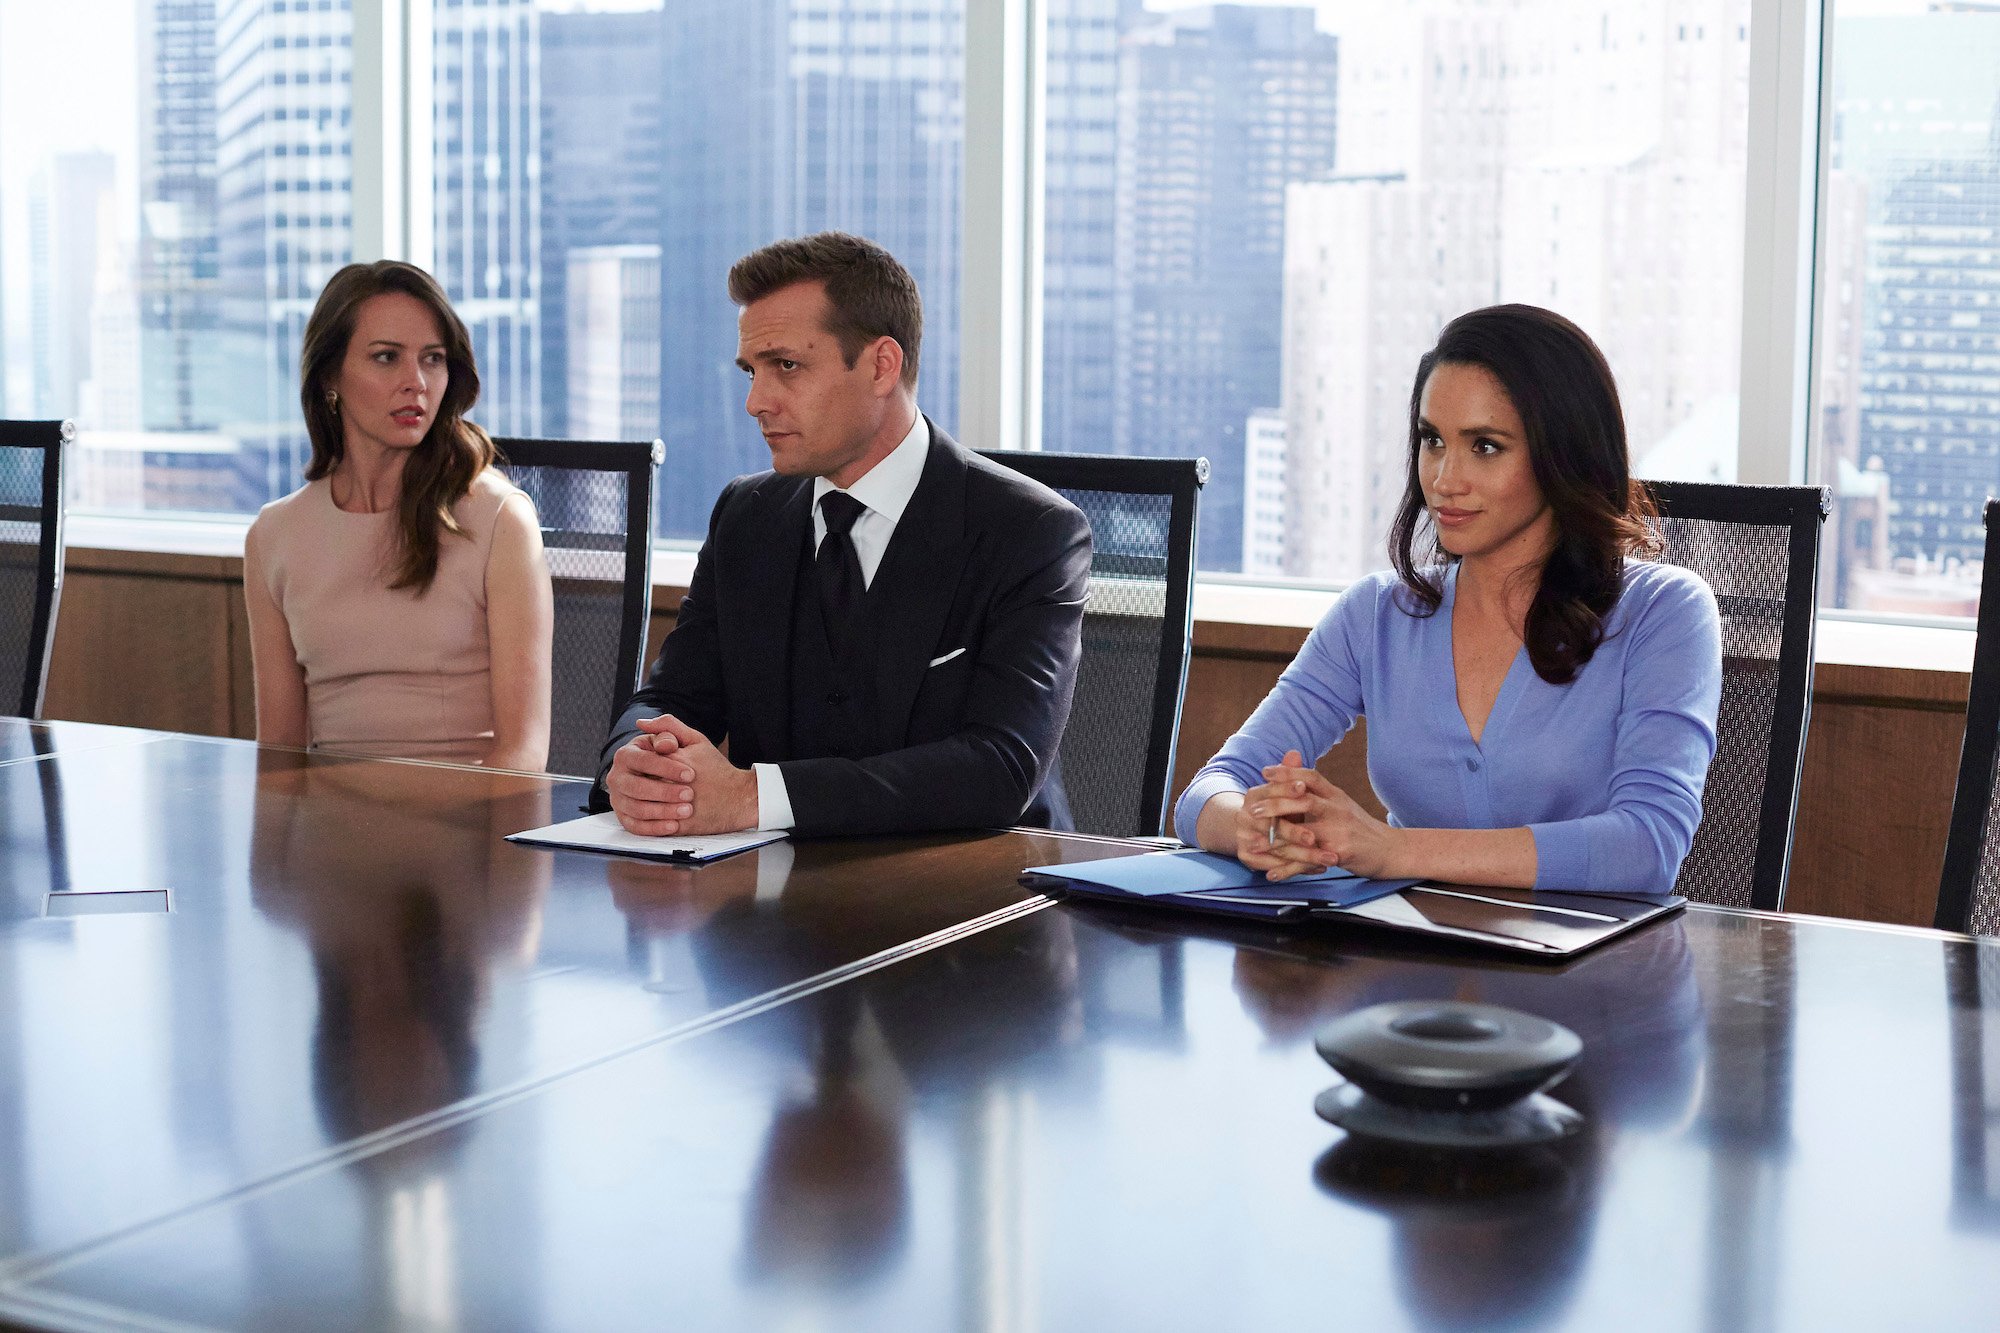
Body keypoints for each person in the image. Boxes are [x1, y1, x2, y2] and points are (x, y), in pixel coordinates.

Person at [1176, 304, 1721, 895]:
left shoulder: (1664, 612)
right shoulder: (1377, 614)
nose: (1443, 478)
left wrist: (1391, 851)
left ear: (1563, 454)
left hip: (1589, 975)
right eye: (1432, 440)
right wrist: (1255, 828)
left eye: (1485, 447)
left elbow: (1647, 846)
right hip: (1412, 967)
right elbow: (1209, 790)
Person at [594, 231, 1091, 838]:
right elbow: (672, 697)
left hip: (978, 893)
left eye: (786, 366)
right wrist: (636, 761)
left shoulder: (1031, 532)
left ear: (882, 365)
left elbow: (999, 767)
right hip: (767, 900)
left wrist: (754, 797)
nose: (755, 401)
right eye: (751, 370)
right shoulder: (745, 516)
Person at [244, 260, 552, 770]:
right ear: (329, 378)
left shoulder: (500, 521)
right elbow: (278, 758)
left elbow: (521, 754)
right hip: (331, 834)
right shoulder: (274, 537)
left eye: (432, 359)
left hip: (464, 830)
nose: (416, 382)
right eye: (386, 357)